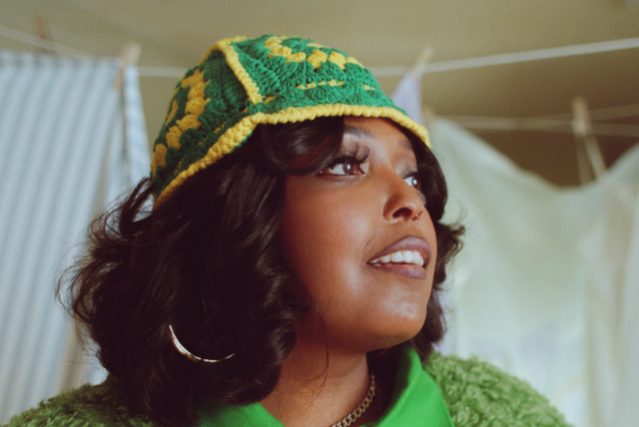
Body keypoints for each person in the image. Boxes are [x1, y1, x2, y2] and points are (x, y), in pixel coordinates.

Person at [4, 35, 572, 427]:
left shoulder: (507, 416)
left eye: (414, 176)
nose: (411, 203)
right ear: (234, 219)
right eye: (346, 164)